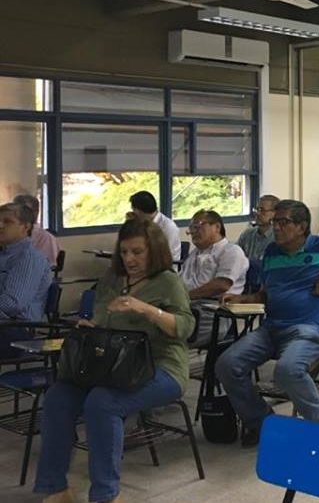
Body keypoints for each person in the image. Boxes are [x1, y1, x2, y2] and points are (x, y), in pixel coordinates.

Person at [34, 218, 194, 503]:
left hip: (160, 366)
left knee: (102, 402)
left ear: (153, 251)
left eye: (137, 252)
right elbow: (102, 318)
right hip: (109, 364)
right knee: (58, 396)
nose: (129, 259)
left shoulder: (167, 282)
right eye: (124, 252)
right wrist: (90, 326)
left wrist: (146, 309)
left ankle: (106, 495)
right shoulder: (111, 280)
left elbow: (184, 328)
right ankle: (55, 489)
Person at [216, 199, 319, 446]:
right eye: (275, 222)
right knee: (227, 364)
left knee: (286, 370)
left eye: (283, 222)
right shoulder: (271, 252)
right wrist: (241, 298)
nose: (276, 228)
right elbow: (264, 293)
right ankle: (262, 423)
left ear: (302, 227)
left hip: (311, 329)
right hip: (272, 328)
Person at [181, 210, 248, 346]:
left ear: (217, 227)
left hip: (211, 313)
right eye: (191, 229)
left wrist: (184, 296)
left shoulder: (231, 251)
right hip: (185, 307)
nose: (193, 232)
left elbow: (221, 285)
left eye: (198, 226)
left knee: (159, 337)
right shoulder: (194, 254)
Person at [0, 202, 52, 338]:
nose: (0, 226)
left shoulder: (28, 258)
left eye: (7, 222)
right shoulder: (3, 254)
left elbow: (12, 304)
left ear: (26, 227)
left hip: (15, 329)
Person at [128, 190, 181, 262]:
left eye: (133, 209)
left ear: (137, 211)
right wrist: (130, 225)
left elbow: (168, 256)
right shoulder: (141, 223)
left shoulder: (168, 227)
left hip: (165, 267)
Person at [12, 194, 59, 266]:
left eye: (24, 211)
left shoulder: (45, 237)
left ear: (36, 212)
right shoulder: (9, 232)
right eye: (15, 211)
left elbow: (45, 265)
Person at [237, 194, 278, 261]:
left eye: (262, 210)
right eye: (257, 209)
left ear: (274, 213)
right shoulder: (247, 234)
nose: (258, 213)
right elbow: (236, 258)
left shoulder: (278, 237)